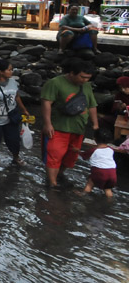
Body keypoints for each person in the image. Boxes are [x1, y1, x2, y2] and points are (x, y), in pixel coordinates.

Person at [40, 58, 98, 187]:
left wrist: (95, 124)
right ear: (72, 73)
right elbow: (46, 103)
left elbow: (92, 105)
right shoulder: (55, 83)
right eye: (82, 77)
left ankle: (59, 175)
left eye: (88, 78)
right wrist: (47, 123)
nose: (85, 80)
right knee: (54, 156)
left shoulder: (86, 86)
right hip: (58, 128)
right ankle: (53, 184)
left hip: (78, 129)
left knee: (70, 158)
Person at [0, 60, 29, 167]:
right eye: (9, 69)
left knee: (14, 139)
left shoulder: (13, 82)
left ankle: (16, 158)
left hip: (11, 118)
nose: (11, 71)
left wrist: (24, 110)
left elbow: (17, 97)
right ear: (0, 72)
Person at [80, 126, 117, 199]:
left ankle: (83, 194)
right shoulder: (111, 149)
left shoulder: (94, 150)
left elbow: (84, 156)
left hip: (100, 173)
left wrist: (76, 151)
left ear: (94, 139)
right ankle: (110, 201)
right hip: (112, 174)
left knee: (90, 183)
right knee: (108, 189)